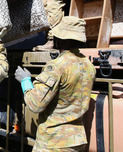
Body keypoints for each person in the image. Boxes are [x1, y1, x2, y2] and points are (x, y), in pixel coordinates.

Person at [15, 16, 96, 152]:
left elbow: (35, 104)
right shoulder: (89, 66)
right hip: (76, 140)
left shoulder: (57, 66)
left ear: (59, 40)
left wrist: (25, 81)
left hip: (54, 142)